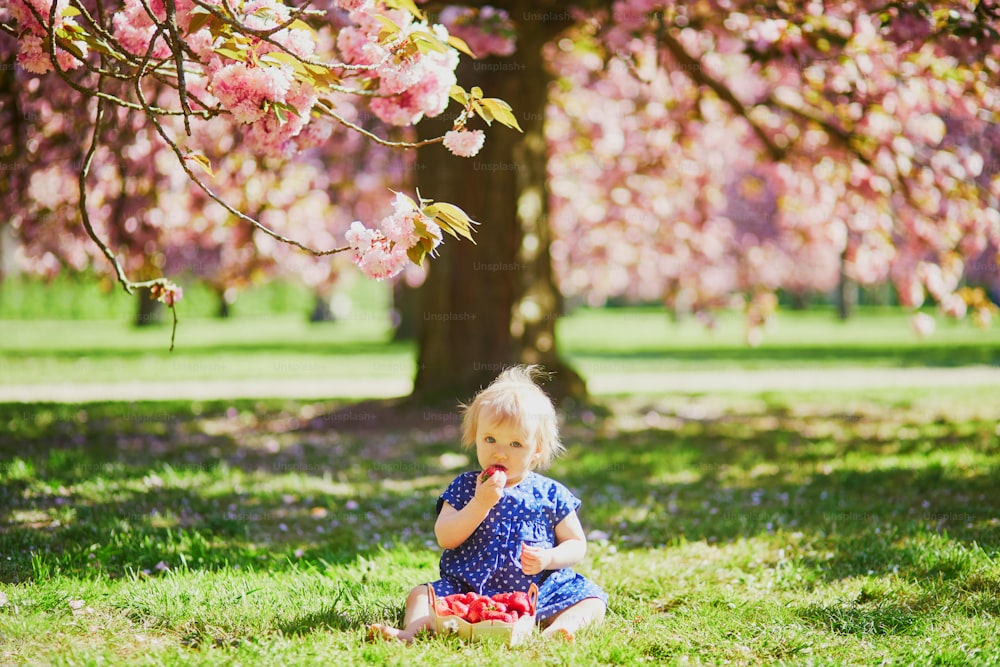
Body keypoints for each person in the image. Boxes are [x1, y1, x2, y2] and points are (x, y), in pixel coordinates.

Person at [368, 365, 607, 642]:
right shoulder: (465, 487)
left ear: (536, 450)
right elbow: (445, 537)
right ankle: (411, 633)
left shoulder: (550, 493)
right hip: (468, 590)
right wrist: (480, 503)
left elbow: (576, 544)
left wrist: (549, 558)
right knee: (420, 595)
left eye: (515, 444)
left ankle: (558, 630)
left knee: (591, 599)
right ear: (475, 437)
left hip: (535, 591)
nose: (500, 452)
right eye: (490, 439)